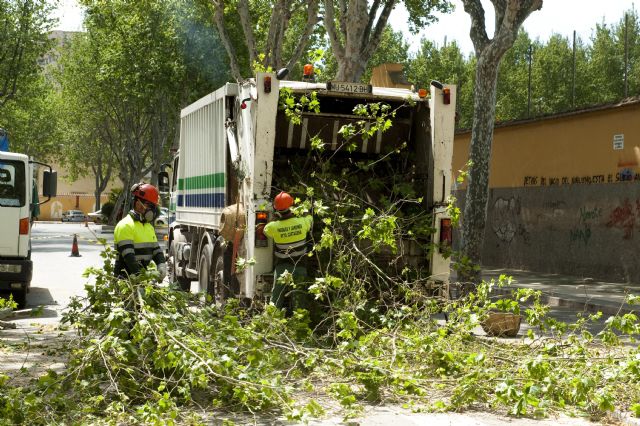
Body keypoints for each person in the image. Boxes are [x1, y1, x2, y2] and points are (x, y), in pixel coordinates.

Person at [263, 191, 313, 310]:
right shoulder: (302, 222)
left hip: (282, 267)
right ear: (291, 207)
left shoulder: (273, 227)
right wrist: (303, 210)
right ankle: (299, 319)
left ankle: (272, 318)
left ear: (277, 210)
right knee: (299, 299)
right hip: (299, 265)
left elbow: (265, 230)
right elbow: (310, 218)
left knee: (276, 298)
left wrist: (275, 218)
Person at [113, 182, 166, 281]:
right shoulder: (125, 225)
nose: (152, 210)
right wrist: (141, 278)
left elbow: (156, 250)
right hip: (125, 280)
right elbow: (129, 257)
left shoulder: (148, 227)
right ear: (138, 203)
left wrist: (161, 264)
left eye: (153, 206)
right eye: (149, 205)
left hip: (141, 279)